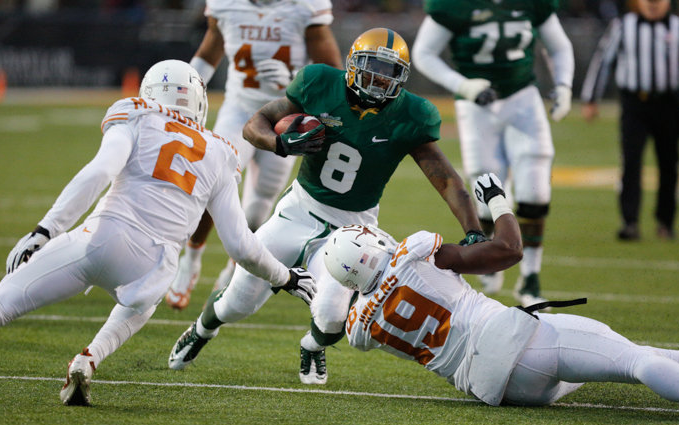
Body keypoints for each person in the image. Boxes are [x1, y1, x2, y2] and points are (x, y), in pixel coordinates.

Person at [0, 60, 316, 406]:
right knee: (141, 304)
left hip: (103, 236)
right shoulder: (219, 151)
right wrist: (285, 276)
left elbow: (99, 172)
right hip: (153, 268)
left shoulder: (136, 113)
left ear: (150, 93)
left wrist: (46, 229)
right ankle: (89, 358)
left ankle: (86, 356)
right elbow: (241, 246)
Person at [167, 28, 484, 385]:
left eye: (390, 71)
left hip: (352, 227)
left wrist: (473, 229)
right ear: (352, 64)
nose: (380, 78)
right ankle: (203, 328)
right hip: (298, 210)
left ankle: (312, 346)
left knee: (334, 315)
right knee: (238, 302)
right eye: (373, 66)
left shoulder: (412, 113)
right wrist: (280, 144)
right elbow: (254, 124)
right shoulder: (318, 82)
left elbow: (446, 179)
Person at [323, 173, 679, 408]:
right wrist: (497, 200)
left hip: (496, 390)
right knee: (633, 362)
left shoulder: (360, 327)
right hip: (515, 342)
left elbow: (344, 319)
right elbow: (509, 250)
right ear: (370, 247)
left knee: (626, 352)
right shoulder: (415, 254)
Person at [165, 0, 343, 310]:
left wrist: (293, 79)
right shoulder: (227, 5)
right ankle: (191, 258)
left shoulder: (305, 7)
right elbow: (210, 52)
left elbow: (333, 76)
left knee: (259, 206)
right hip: (240, 109)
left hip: (286, 113)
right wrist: (184, 93)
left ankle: (234, 267)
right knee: (212, 180)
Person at [411, 0, 575, 307]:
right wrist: (464, 85)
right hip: (476, 105)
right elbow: (423, 53)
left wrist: (564, 85)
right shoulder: (453, 5)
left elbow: (560, 47)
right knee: (485, 187)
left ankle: (530, 276)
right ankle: (490, 254)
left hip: (523, 97)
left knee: (535, 191)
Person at [581, 0, 679, 241]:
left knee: (669, 164)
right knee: (631, 162)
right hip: (634, 104)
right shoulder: (623, 25)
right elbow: (603, 60)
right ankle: (629, 222)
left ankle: (666, 222)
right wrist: (591, 99)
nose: (652, 5)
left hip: (668, 104)